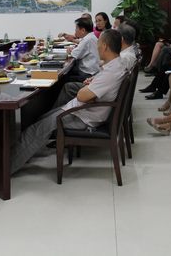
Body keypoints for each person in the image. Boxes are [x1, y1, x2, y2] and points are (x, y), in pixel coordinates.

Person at [10, 29, 127, 174]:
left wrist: (88, 87)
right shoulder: (116, 64)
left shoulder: (110, 73)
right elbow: (93, 90)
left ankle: (5, 169)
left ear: (104, 46)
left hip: (84, 117)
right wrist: (92, 83)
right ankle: (24, 152)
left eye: (98, 43)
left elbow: (82, 97)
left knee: (36, 129)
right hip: (83, 110)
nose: (96, 47)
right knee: (41, 118)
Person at [65, 17, 101, 82]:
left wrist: (70, 50)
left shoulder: (87, 40)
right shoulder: (91, 36)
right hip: (93, 70)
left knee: (65, 77)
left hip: (88, 73)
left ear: (83, 30)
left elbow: (74, 54)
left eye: (76, 28)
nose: (75, 30)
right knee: (69, 70)